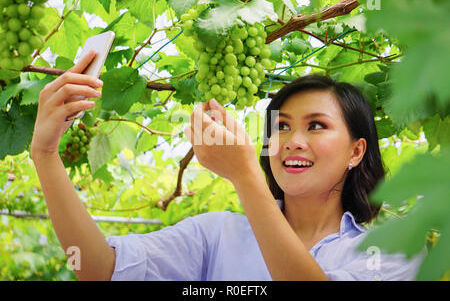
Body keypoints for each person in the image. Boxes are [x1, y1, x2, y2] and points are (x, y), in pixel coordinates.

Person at [31, 51, 424, 281]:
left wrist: (245, 174)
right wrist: (45, 154)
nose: (293, 141)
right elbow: (99, 270)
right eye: (281, 126)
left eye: (316, 125)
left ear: (356, 152)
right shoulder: (216, 235)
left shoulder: (395, 252)